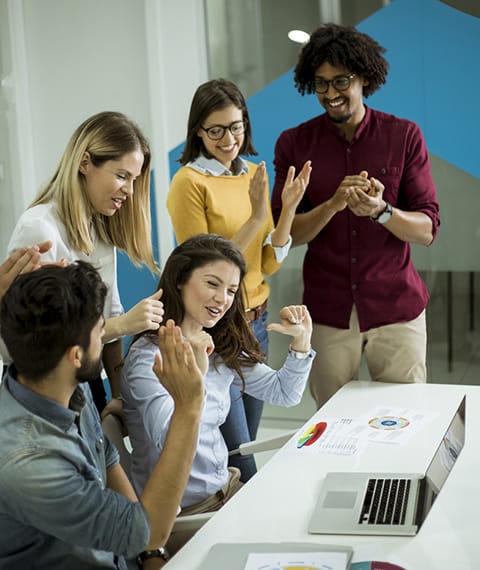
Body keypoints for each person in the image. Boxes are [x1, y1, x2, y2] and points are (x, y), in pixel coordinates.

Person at [271, 23, 440, 409]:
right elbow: (285, 236)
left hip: (396, 308)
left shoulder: (404, 136)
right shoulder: (294, 144)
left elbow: (428, 229)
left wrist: (381, 211)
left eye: (340, 81)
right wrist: (332, 205)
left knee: (406, 420)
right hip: (328, 312)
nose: (330, 93)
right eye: (321, 84)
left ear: (364, 78)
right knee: (332, 426)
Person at [0, 261, 203, 569]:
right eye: (101, 330)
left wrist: (150, 554)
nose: (107, 337)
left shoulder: (63, 388)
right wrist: (188, 409)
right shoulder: (30, 461)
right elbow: (146, 533)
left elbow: (106, 460)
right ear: (76, 355)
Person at [167, 78, 311, 482]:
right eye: (216, 129)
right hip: (218, 327)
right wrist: (252, 215)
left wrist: (286, 212)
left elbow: (266, 264)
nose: (228, 138)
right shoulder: (189, 184)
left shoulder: (252, 174)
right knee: (239, 458)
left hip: (256, 324)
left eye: (236, 126)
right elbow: (204, 266)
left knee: (244, 446)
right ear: (197, 130)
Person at [121, 234, 314, 520]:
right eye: (212, 284)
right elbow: (167, 439)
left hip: (227, 489)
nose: (222, 299)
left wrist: (301, 341)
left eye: (231, 290)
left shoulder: (218, 344)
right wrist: (195, 374)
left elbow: (284, 394)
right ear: (179, 280)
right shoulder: (149, 356)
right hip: (189, 512)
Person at [7, 111, 164, 411]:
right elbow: (31, 342)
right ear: (85, 163)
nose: (130, 192)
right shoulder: (38, 228)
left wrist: (120, 401)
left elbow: (109, 321)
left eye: (134, 180)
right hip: (44, 395)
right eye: (122, 176)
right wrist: (124, 325)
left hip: (88, 389)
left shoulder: (100, 231)